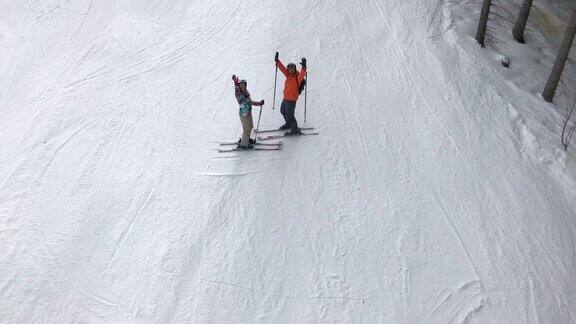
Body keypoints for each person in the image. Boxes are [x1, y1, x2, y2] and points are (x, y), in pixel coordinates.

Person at [275, 52, 307, 135]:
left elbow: (302, 73)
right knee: (283, 111)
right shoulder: (288, 75)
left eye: (292, 69)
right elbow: (282, 68)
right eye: (289, 69)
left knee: (290, 115)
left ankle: (295, 130)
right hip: (285, 98)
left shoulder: (298, 77)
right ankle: (288, 124)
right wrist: (277, 61)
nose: (290, 70)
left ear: (295, 69)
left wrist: (303, 67)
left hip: (291, 99)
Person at [232, 75, 265, 149]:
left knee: (249, 127)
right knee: (247, 129)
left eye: (244, 85)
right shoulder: (238, 94)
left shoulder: (246, 92)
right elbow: (249, 101)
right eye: (241, 85)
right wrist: (235, 83)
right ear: (239, 86)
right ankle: (244, 144)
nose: (243, 86)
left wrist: (259, 103)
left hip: (248, 113)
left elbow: (249, 101)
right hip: (244, 115)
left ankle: (246, 140)